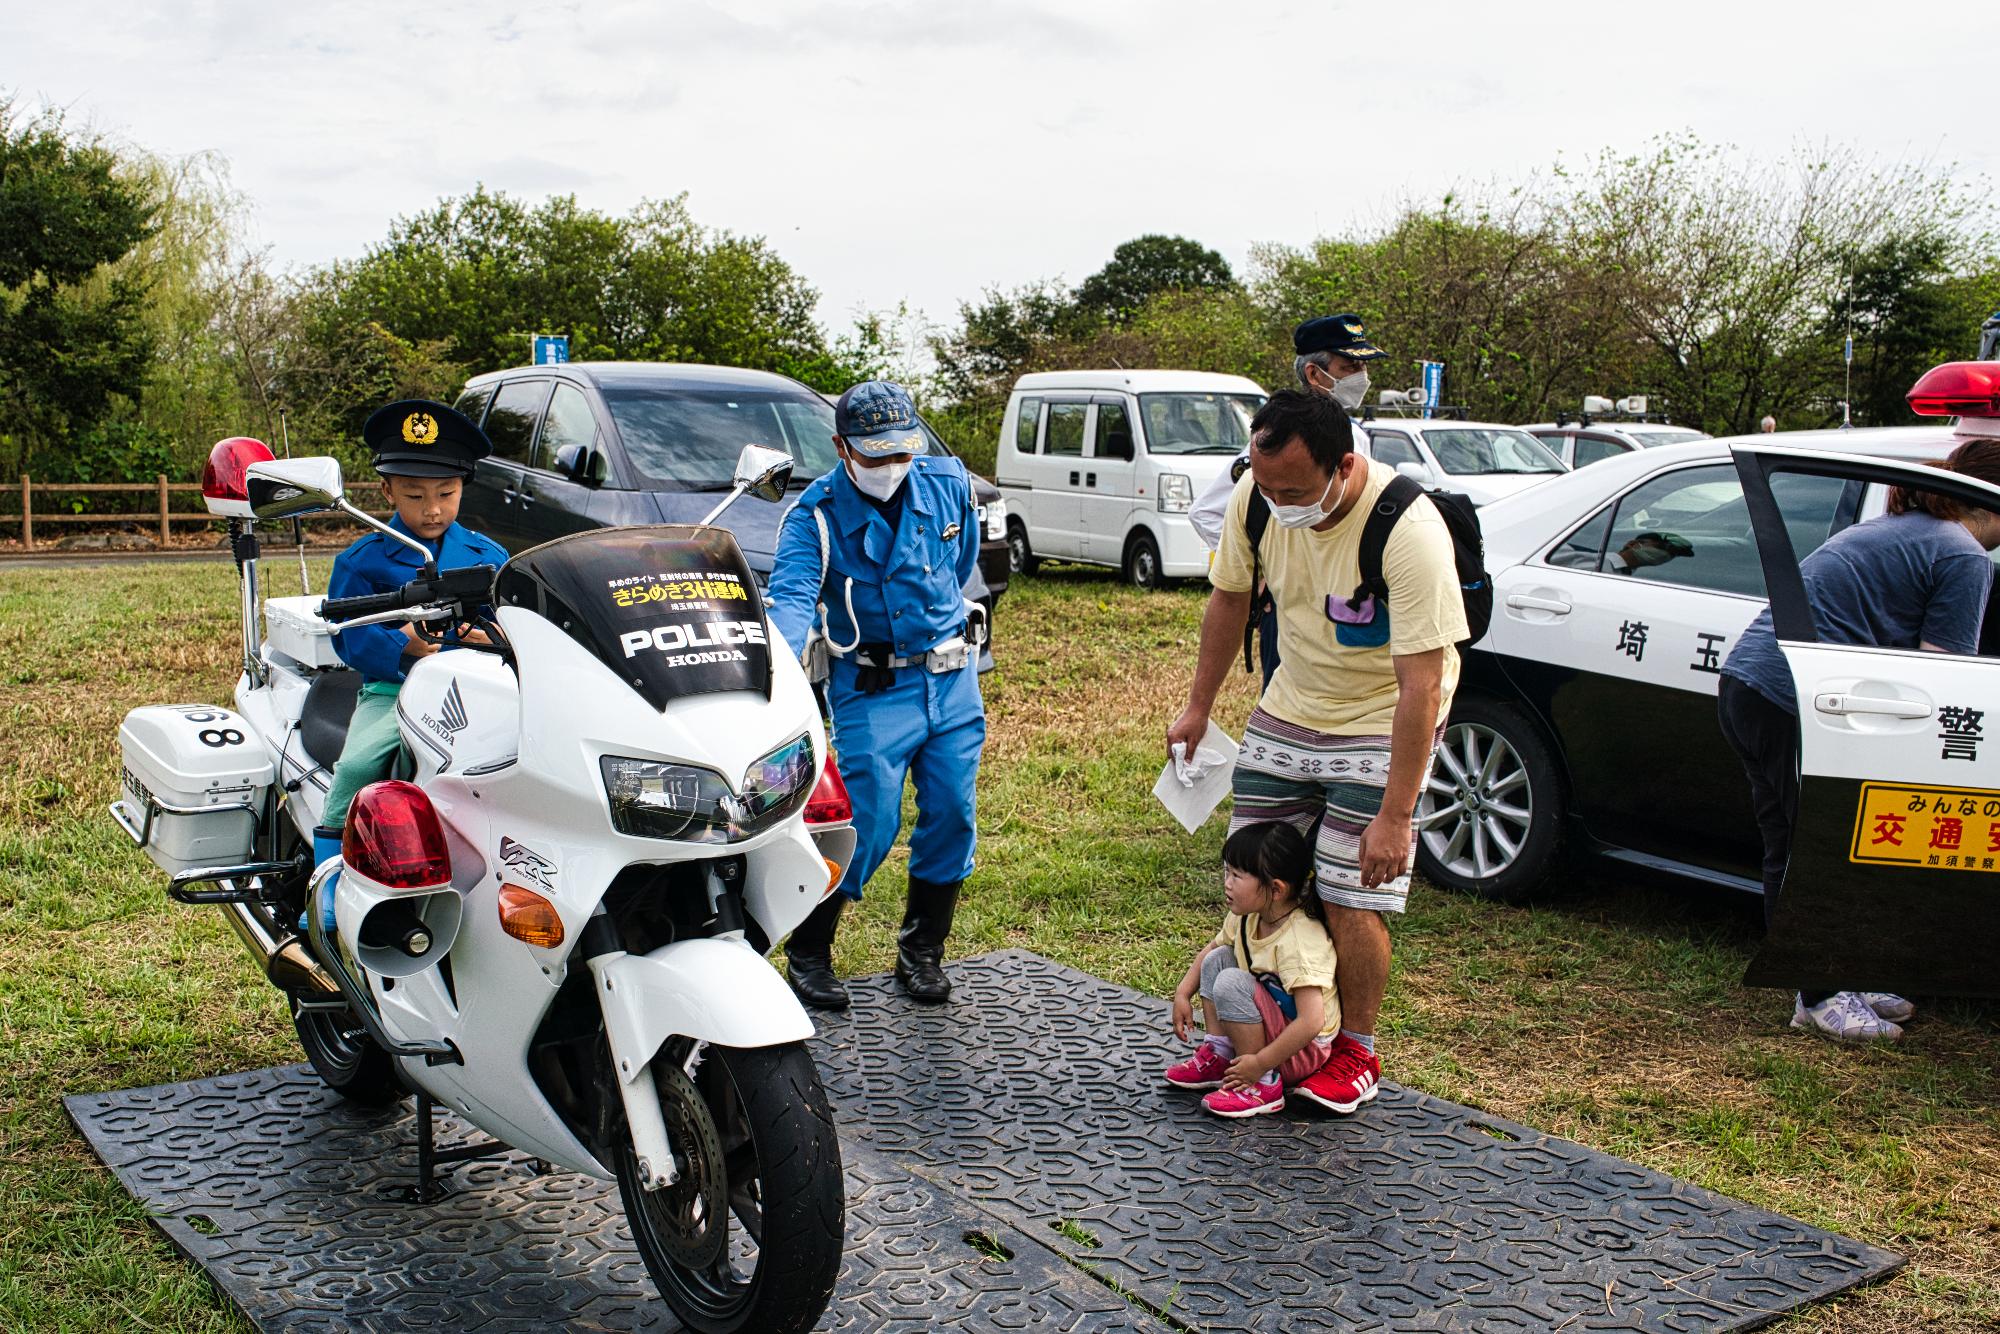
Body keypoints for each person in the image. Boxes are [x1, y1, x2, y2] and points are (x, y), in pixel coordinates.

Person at [1168, 389, 1465, 1116]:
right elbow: (1230, 599)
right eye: (1265, 487)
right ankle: (1250, 1045)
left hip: (1381, 718)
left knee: (1348, 892)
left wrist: (1396, 814)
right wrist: (1199, 706)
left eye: (1293, 490)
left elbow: (1423, 683)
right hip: (1289, 709)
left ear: (1343, 466)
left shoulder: (1408, 528)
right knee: (1253, 877)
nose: (1276, 502)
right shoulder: (1257, 497)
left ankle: (1355, 1047)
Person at [1719, 438, 2000, 1042]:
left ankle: (1829, 978)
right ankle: (1819, 997)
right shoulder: (1963, 555)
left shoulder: (1907, 529)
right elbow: (1941, 676)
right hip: (1791, 699)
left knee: (1790, 846)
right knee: (1820, 853)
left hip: (1754, 686)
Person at [767, 380, 986, 1008]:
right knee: (865, 822)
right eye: (875, 455)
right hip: (871, 685)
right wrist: (777, 668)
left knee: (952, 813)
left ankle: (921, 952)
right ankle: (809, 951)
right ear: (841, 447)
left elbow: (959, 559)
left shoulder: (948, 485)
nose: (892, 466)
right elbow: (790, 599)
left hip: (949, 678)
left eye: (902, 452)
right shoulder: (815, 516)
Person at [312, 400, 507, 923]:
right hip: (393, 690)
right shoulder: (361, 560)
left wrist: (489, 636)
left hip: (476, 690)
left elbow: (515, 622)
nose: (433, 508)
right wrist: (405, 647)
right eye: (415, 495)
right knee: (357, 763)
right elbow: (347, 638)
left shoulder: (489, 556)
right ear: (387, 492)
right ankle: (327, 877)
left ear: (464, 487)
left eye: (446, 494)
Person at [1189, 314, 1387, 686]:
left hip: (1343, 599)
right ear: (1315, 374)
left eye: (1363, 365)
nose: (1361, 376)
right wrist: (1259, 576)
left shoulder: (1353, 433)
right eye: (1350, 366)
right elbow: (1207, 512)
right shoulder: (1281, 439)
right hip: (1292, 604)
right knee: (1285, 700)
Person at [1165, 821, 1339, 1119]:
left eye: (1236, 875)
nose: (1227, 882)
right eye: (1226, 871)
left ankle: (1261, 1084)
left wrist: (1259, 1063)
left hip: (1301, 1050)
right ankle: (1223, 1056)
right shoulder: (1246, 918)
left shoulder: (1298, 941)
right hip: (1273, 1032)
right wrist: (1183, 993)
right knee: (1219, 958)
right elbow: (1210, 950)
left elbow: (1312, 1021)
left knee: (1231, 982)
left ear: (1276, 889)